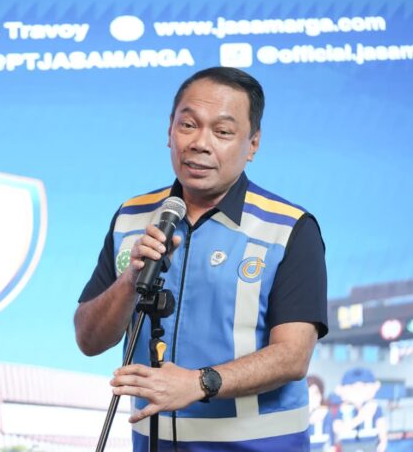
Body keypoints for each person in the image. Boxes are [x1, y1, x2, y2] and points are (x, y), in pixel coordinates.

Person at [74, 66, 328, 451]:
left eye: (222, 132)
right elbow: (89, 340)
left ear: (253, 144)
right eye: (188, 125)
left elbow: (293, 356)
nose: (200, 143)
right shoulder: (132, 218)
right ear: (169, 131)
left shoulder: (289, 228)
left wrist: (198, 383)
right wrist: (129, 283)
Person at [333, 367, 388, 452]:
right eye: (352, 387)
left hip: (370, 443)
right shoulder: (344, 409)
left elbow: (381, 424)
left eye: (363, 386)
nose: (358, 391)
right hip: (349, 444)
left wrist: (383, 441)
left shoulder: (374, 407)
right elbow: (337, 428)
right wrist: (360, 418)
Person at [308, 375, 335, 451]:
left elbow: (331, 442)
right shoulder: (299, 417)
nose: (312, 397)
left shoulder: (326, 414)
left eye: (316, 393)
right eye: (309, 394)